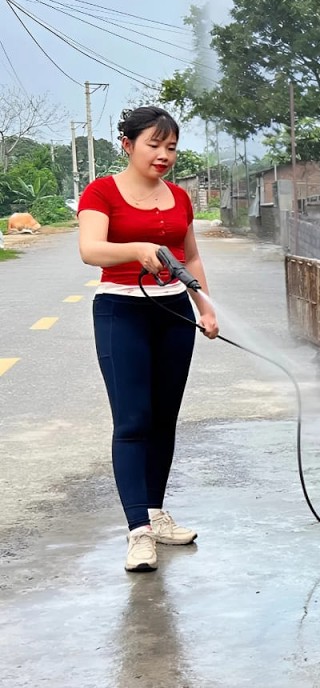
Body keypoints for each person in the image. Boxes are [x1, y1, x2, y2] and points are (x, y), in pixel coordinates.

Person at [77, 106, 220, 573]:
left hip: (174, 312)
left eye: (171, 147)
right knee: (133, 420)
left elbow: (190, 257)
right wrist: (136, 250)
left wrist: (205, 305)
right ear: (128, 145)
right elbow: (90, 249)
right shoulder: (102, 192)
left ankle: (155, 515)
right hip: (122, 311)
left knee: (164, 419)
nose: (163, 155)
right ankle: (137, 531)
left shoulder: (179, 198)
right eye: (153, 145)